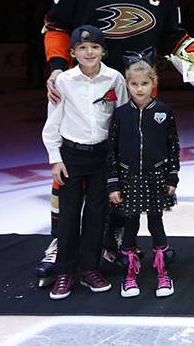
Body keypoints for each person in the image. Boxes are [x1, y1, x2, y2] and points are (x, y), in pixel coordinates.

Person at [38, 0, 194, 286]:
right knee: (70, 165)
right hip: (83, 87)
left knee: (122, 170)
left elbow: (176, 39)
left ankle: (108, 239)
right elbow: (56, 24)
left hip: (135, 95)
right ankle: (57, 244)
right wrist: (56, 67)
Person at [41, 25, 128, 300]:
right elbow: (52, 123)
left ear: (103, 50)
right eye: (82, 48)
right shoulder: (64, 81)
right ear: (72, 52)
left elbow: (121, 120)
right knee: (68, 216)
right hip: (71, 156)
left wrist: (119, 159)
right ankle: (65, 271)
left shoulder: (114, 79)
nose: (89, 52)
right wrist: (55, 159)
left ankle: (90, 268)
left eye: (94, 47)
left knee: (96, 215)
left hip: (102, 156)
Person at [107, 61, 179, 298]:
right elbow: (112, 151)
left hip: (157, 177)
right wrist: (113, 183)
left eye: (145, 83)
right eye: (134, 84)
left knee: (156, 223)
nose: (139, 89)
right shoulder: (120, 114)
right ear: (127, 85)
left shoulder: (163, 111)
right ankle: (130, 275)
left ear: (154, 83)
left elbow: (173, 146)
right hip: (128, 179)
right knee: (130, 225)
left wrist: (172, 176)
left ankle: (162, 274)